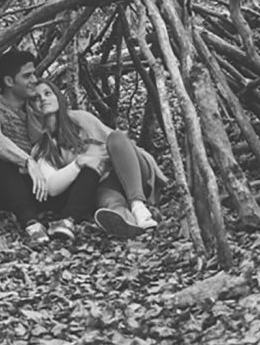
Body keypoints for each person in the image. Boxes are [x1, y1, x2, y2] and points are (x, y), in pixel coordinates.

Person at [0, 49, 101, 244]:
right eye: (27, 76)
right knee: (2, 165)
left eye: (34, 74)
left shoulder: (32, 107)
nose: (34, 79)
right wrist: (27, 161)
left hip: (41, 184)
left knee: (89, 171)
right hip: (7, 187)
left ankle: (67, 221)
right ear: (9, 81)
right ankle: (31, 223)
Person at [31, 79, 166, 240]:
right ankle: (130, 224)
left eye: (47, 93)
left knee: (116, 137)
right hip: (103, 182)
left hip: (131, 170)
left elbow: (119, 144)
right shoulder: (42, 147)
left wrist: (93, 157)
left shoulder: (81, 119)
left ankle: (138, 206)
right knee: (111, 203)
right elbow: (52, 186)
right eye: (36, 98)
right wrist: (79, 163)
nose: (43, 99)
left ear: (58, 97)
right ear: (31, 107)